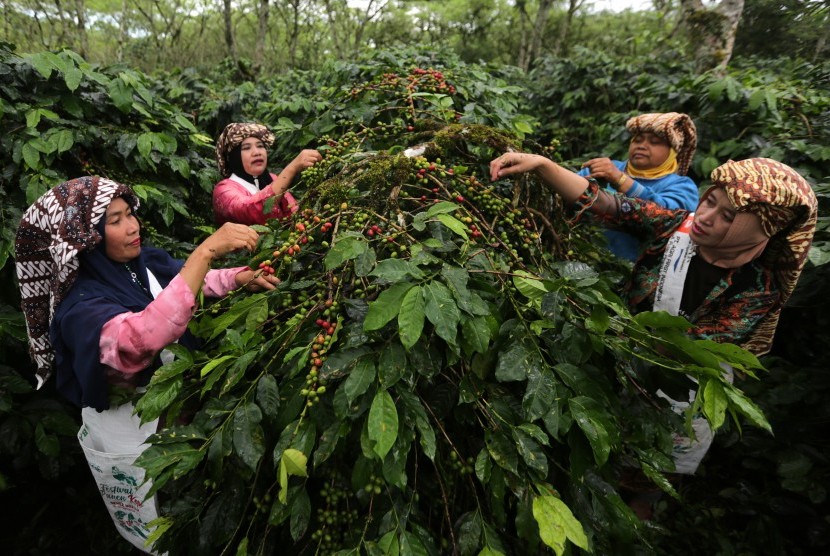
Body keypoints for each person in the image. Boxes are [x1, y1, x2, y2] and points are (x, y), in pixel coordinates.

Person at [490, 154, 817, 482]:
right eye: (710, 202)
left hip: (681, 389)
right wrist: (542, 165)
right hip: (622, 361)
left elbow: (694, 347)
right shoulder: (677, 226)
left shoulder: (758, 289)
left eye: (728, 217)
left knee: (651, 469)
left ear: (755, 231)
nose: (706, 216)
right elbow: (610, 205)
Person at [14, 176, 280, 553]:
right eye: (115, 220)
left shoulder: (138, 265)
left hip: (180, 426)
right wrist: (205, 252)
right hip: (137, 439)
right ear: (86, 239)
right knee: (161, 526)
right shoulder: (81, 309)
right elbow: (141, 338)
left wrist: (237, 278)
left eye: (130, 215)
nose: (133, 226)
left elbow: (179, 283)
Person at [578, 112, 700, 261]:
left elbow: (667, 217)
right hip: (582, 261)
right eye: (637, 140)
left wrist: (620, 180)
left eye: (655, 142)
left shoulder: (682, 186)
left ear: (673, 152)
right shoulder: (603, 168)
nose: (642, 146)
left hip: (634, 274)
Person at [213, 122, 322, 225]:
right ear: (234, 157)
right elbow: (252, 210)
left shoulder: (272, 178)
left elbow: (293, 212)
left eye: (260, 146)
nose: (257, 152)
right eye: (246, 148)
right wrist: (291, 168)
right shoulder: (223, 190)